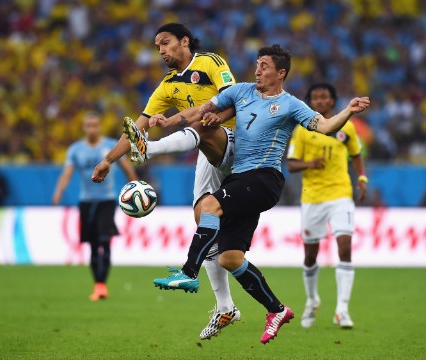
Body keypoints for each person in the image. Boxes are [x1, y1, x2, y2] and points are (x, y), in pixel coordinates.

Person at [151, 44, 370, 344]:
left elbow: (327, 126)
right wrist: (168, 121)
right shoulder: (240, 91)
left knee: (209, 205)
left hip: (265, 178)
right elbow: (203, 109)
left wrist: (348, 110)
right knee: (230, 257)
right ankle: (276, 310)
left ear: (280, 73)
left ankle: (189, 272)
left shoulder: (291, 105)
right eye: (256, 64)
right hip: (241, 180)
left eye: (264, 65)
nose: (257, 70)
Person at [91, 23, 242, 339]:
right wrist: (107, 159)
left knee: (202, 121)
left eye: (165, 43)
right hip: (206, 150)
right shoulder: (167, 86)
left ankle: (152, 151)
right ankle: (226, 307)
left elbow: (234, 99)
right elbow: (138, 126)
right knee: (205, 223)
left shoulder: (211, 62)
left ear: (184, 41)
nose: (160, 50)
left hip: (236, 141)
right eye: (157, 46)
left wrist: (175, 121)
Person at [286, 83, 368, 329]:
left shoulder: (347, 127)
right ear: (310, 102)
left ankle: (342, 309)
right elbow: (291, 164)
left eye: (324, 97)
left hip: (340, 194)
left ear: (332, 101)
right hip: (312, 197)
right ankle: (312, 300)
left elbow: (356, 154)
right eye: (315, 97)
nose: (320, 101)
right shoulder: (303, 130)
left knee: (345, 246)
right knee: (311, 254)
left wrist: (361, 178)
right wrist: (310, 164)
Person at [53, 112, 138, 301]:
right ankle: (98, 285)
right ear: (84, 128)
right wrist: (59, 191)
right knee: (92, 246)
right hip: (86, 202)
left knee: (104, 241)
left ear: (99, 127)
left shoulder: (110, 147)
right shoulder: (76, 150)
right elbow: (67, 173)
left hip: (107, 201)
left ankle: (101, 285)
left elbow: (127, 168)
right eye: (89, 125)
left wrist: (136, 186)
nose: (92, 128)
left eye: (95, 125)